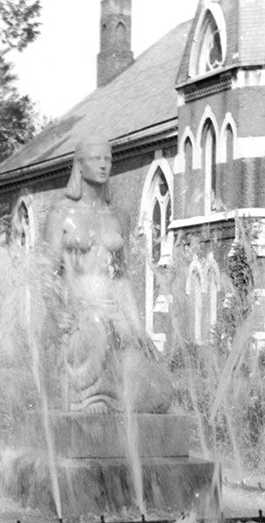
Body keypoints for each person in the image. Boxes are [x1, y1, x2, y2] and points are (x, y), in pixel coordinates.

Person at [44, 136, 171, 415]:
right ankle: (89, 397)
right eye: (95, 159)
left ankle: (109, 398)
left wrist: (138, 330)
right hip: (81, 319)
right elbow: (49, 274)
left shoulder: (117, 217)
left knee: (159, 392)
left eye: (108, 159)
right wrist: (58, 312)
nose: (104, 165)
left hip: (118, 317)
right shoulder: (61, 215)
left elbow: (122, 279)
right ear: (79, 165)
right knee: (96, 328)